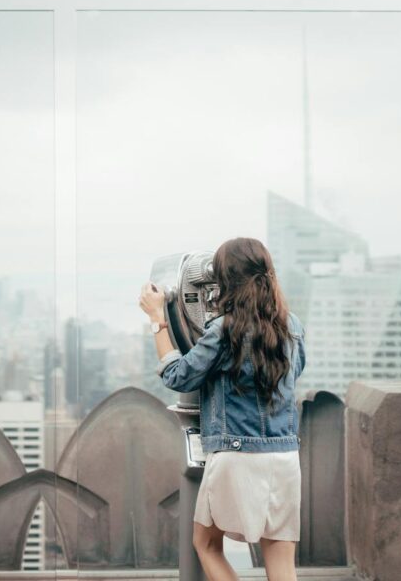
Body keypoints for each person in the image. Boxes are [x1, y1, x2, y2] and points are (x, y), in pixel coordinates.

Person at [139, 237, 305, 581]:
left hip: (236, 456)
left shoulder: (224, 330)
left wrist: (159, 318)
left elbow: (178, 376)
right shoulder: (292, 327)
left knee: (207, 544)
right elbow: (294, 372)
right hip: (285, 458)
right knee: (281, 560)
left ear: (224, 281)